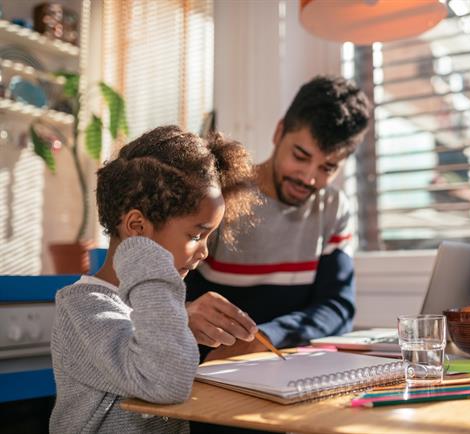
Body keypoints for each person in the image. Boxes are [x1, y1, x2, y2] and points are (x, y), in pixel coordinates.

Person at [49, 126, 258, 433]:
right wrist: (139, 252)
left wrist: (181, 318)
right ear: (136, 225)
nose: (204, 252)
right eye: (197, 235)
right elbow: (166, 380)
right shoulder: (82, 310)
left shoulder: (149, 306)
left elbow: (141, 334)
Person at [186, 75, 371, 361]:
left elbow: (337, 307)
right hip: (205, 367)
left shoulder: (333, 208)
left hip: (285, 364)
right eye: (300, 156)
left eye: (328, 167)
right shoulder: (218, 195)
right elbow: (164, 292)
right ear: (279, 132)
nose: (309, 177)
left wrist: (265, 337)